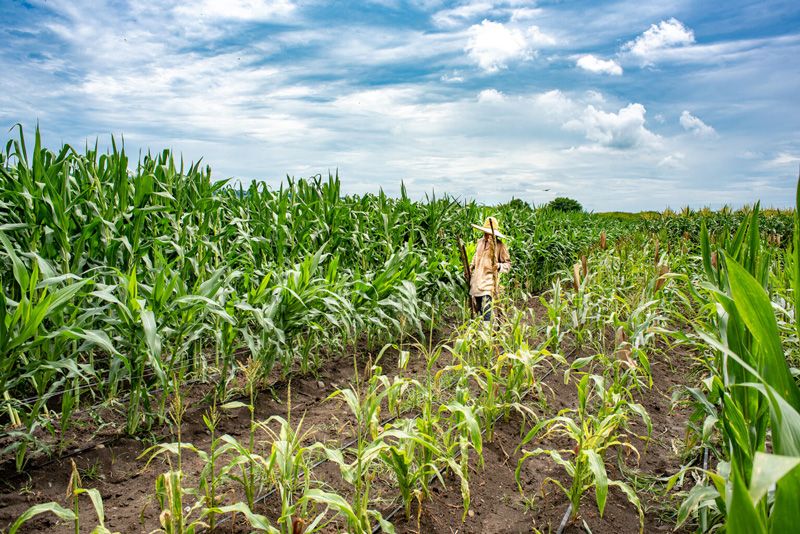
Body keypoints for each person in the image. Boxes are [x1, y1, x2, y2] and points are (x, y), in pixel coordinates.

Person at [469, 216, 511, 321]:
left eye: (488, 233)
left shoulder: (500, 246)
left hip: (489, 283)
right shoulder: (480, 242)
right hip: (476, 281)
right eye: (485, 232)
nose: (486, 235)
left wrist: (499, 266)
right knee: (479, 309)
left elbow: (508, 264)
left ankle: (487, 328)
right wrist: (471, 266)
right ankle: (481, 328)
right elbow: (476, 256)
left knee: (486, 309)